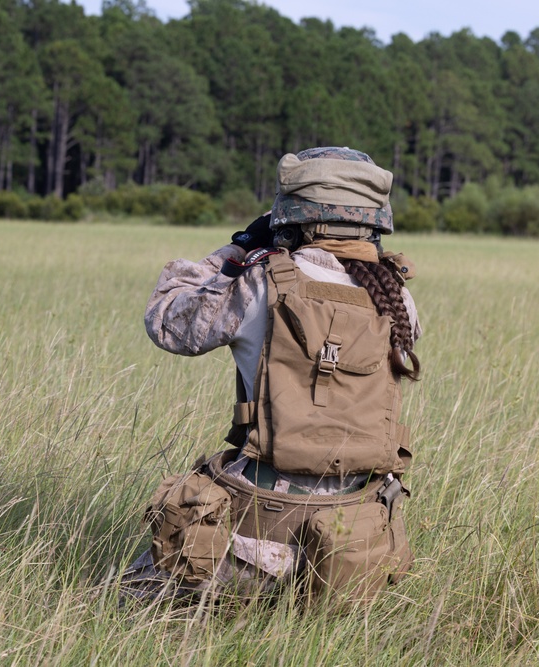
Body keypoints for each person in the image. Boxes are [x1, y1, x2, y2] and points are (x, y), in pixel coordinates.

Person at [123, 147, 423, 606]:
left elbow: (167, 321)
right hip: (352, 542)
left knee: (128, 603)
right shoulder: (396, 299)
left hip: (251, 536)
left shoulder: (257, 282)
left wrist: (239, 247)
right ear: (376, 219)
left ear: (290, 214)